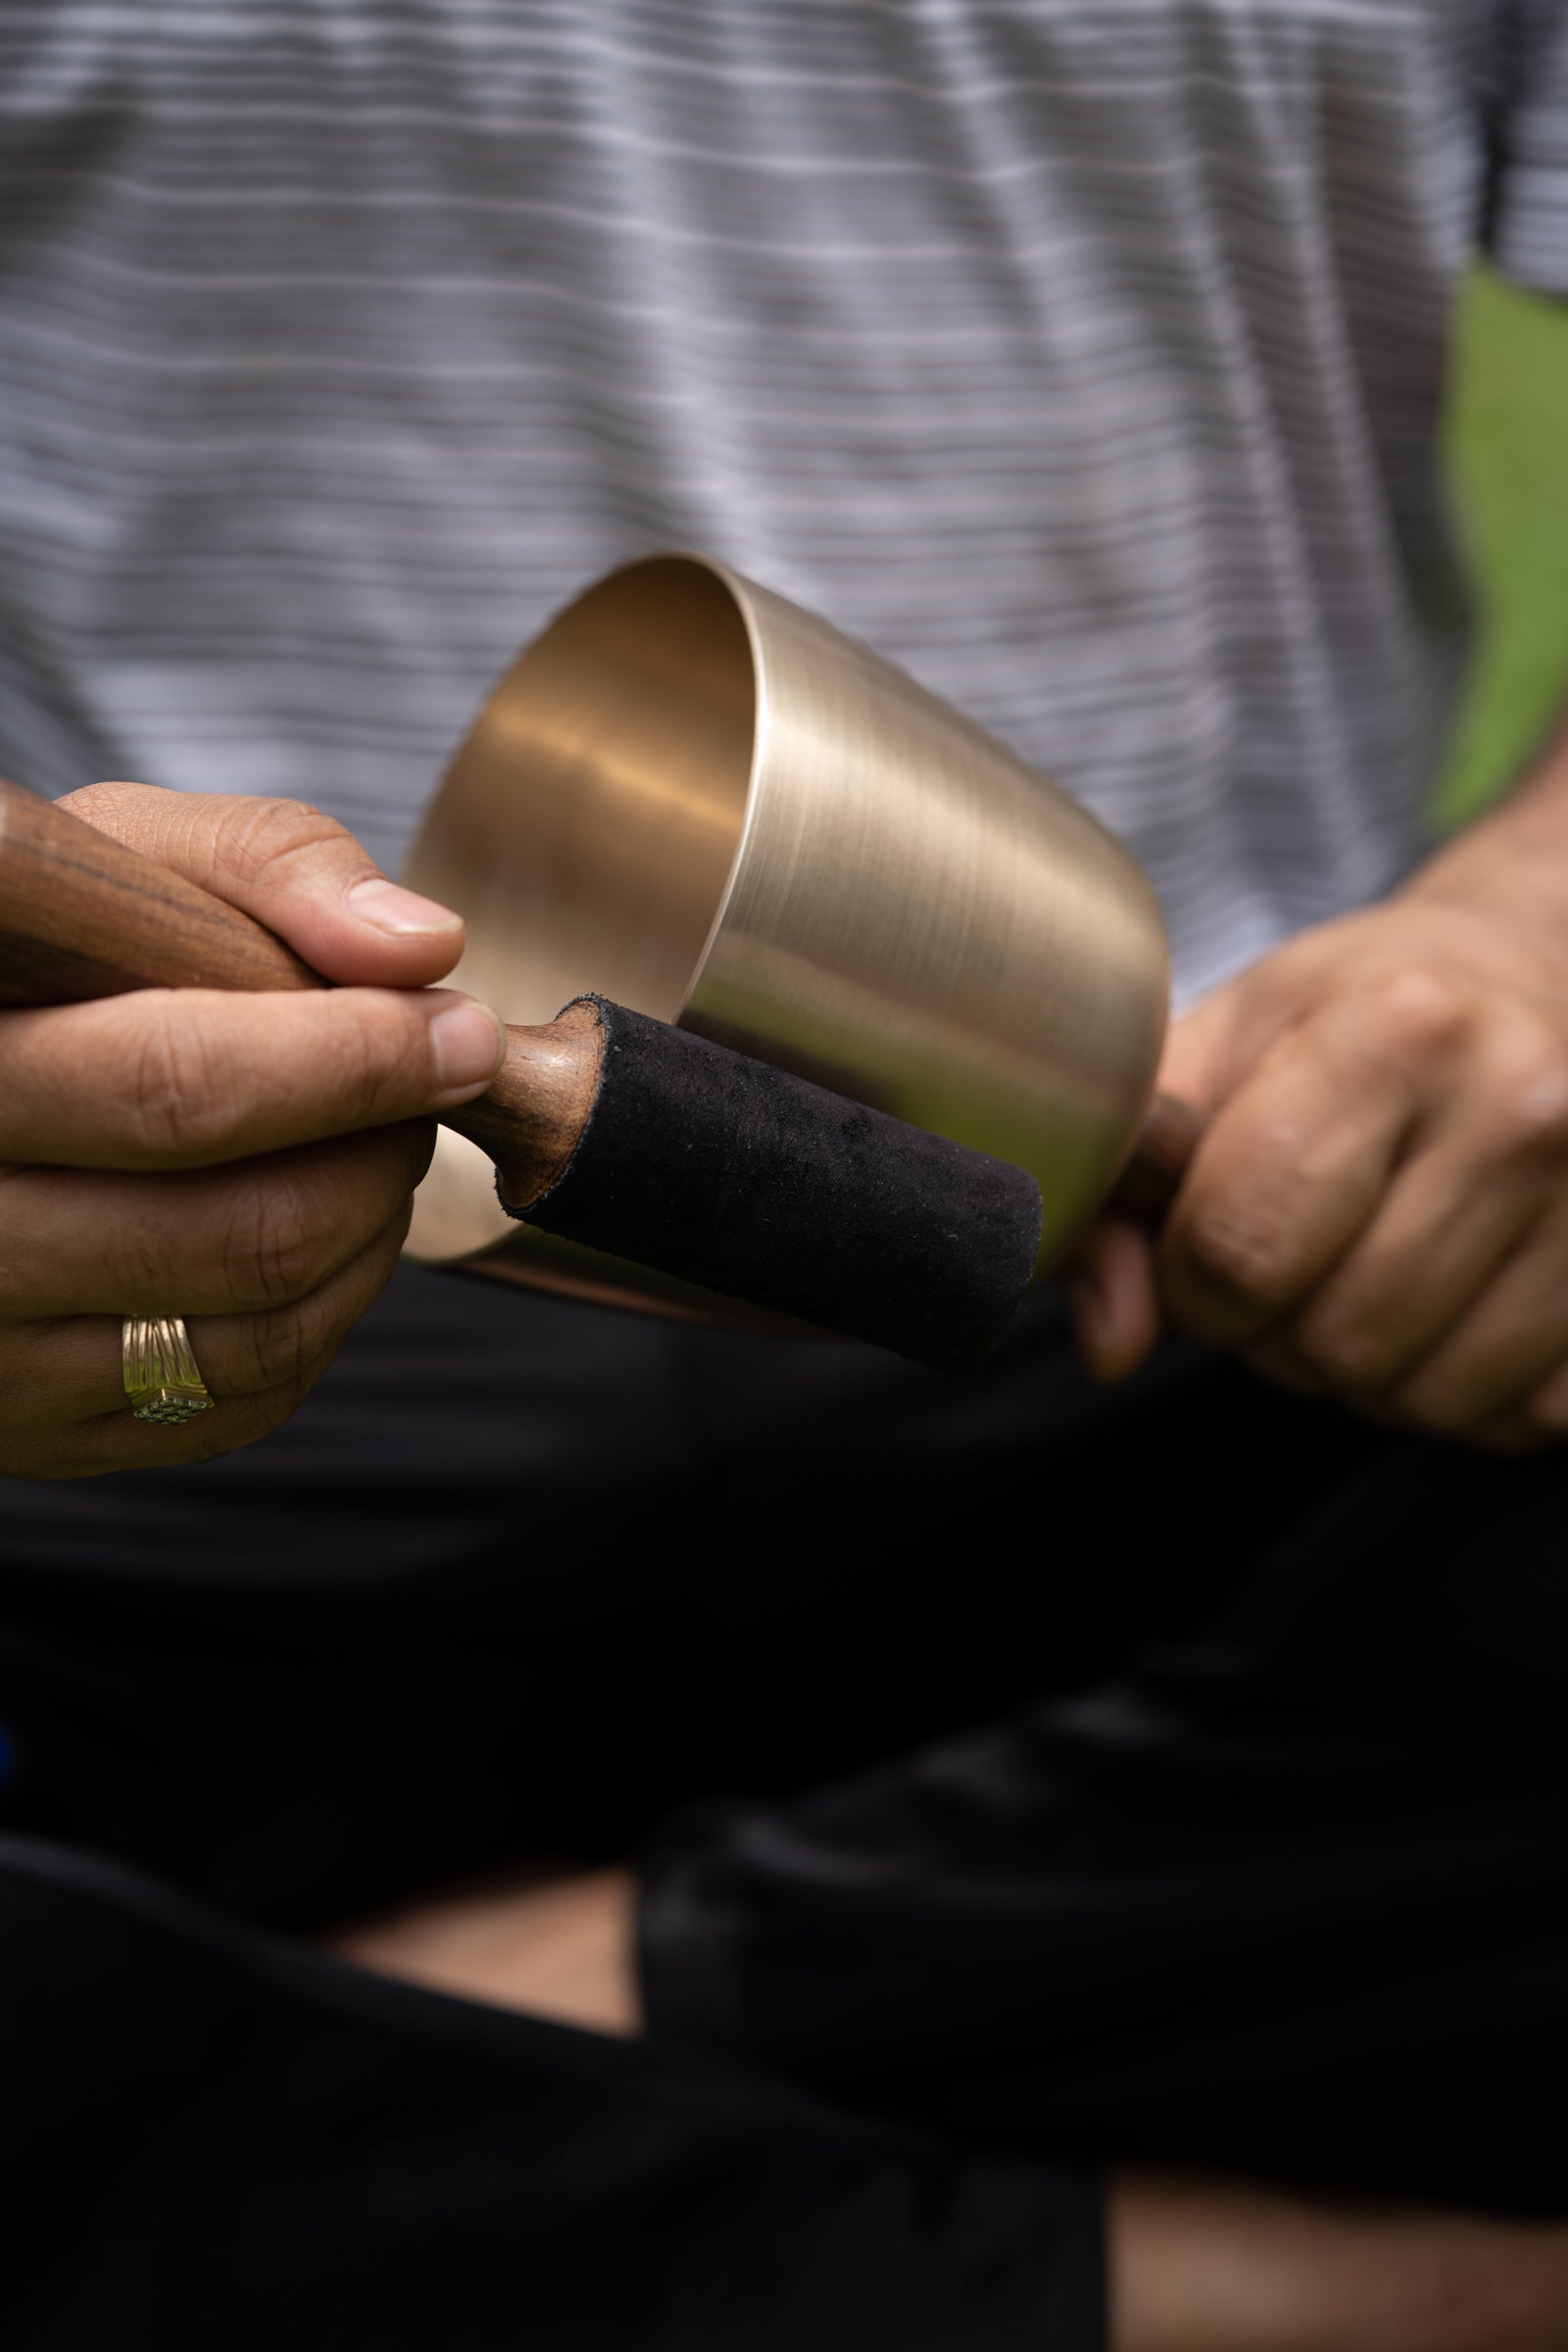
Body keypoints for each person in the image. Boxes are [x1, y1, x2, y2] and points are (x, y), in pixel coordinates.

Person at [2, 2, 1567, 2345]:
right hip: (147, 1352)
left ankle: (517, 2040)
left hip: (1214, 1279)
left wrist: (1529, 921)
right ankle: (1276, 2287)